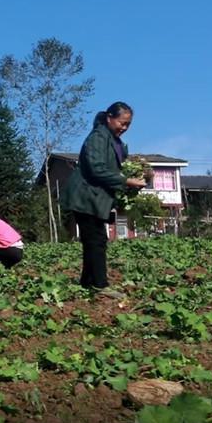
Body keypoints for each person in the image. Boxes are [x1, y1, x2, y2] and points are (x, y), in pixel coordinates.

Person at [60, 102, 146, 299]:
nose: (124, 128)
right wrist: (126, 180)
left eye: (128, 125)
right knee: (96, 240)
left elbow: (114, 164)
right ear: (109, 117)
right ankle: (100, 285)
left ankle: (87, 282)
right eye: (121, 123)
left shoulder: (112, 140)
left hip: (95, 197)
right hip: (85, 196)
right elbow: (97, 168)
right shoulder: (99, 137)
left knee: (94, 240)